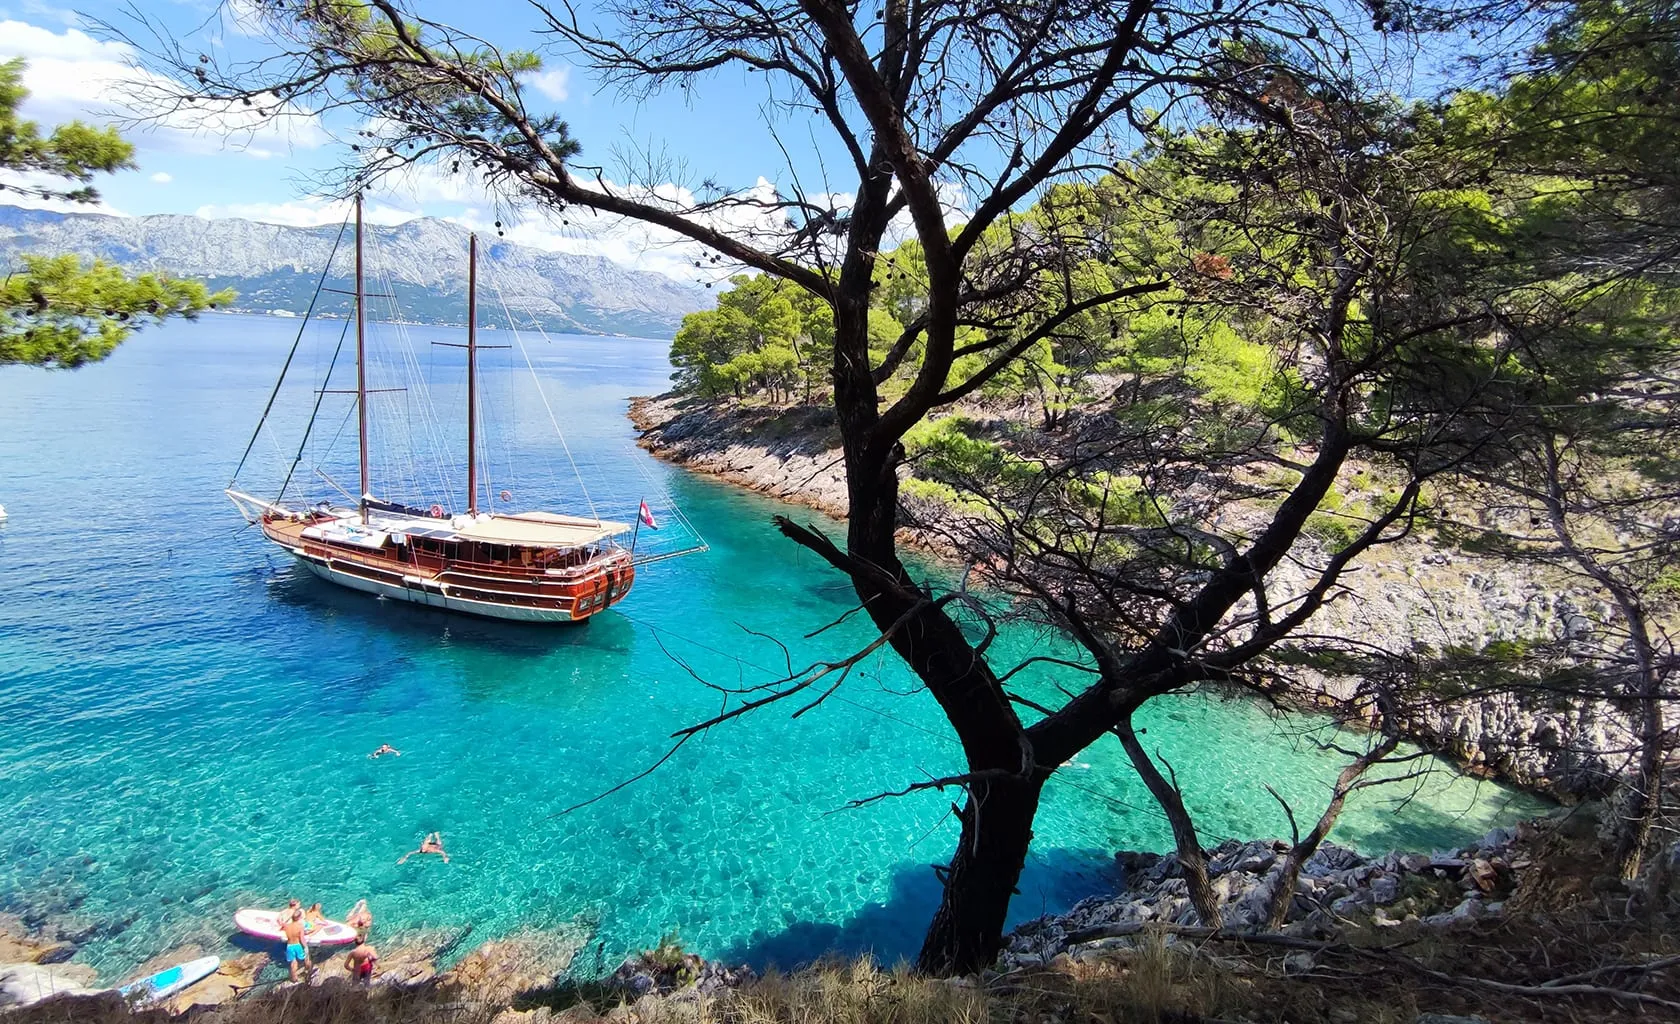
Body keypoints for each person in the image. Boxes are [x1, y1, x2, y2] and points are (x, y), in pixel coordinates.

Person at [279, 908, 312, 983]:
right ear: (299, 917)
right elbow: (302, 938)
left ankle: (294, 979)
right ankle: (308, 972)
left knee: (293, 963)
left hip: (289, 946)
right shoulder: (300, 926)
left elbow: (281, 928)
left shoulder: (286, 926)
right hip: (297, 945)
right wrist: (306, 947)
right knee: (306, 958)